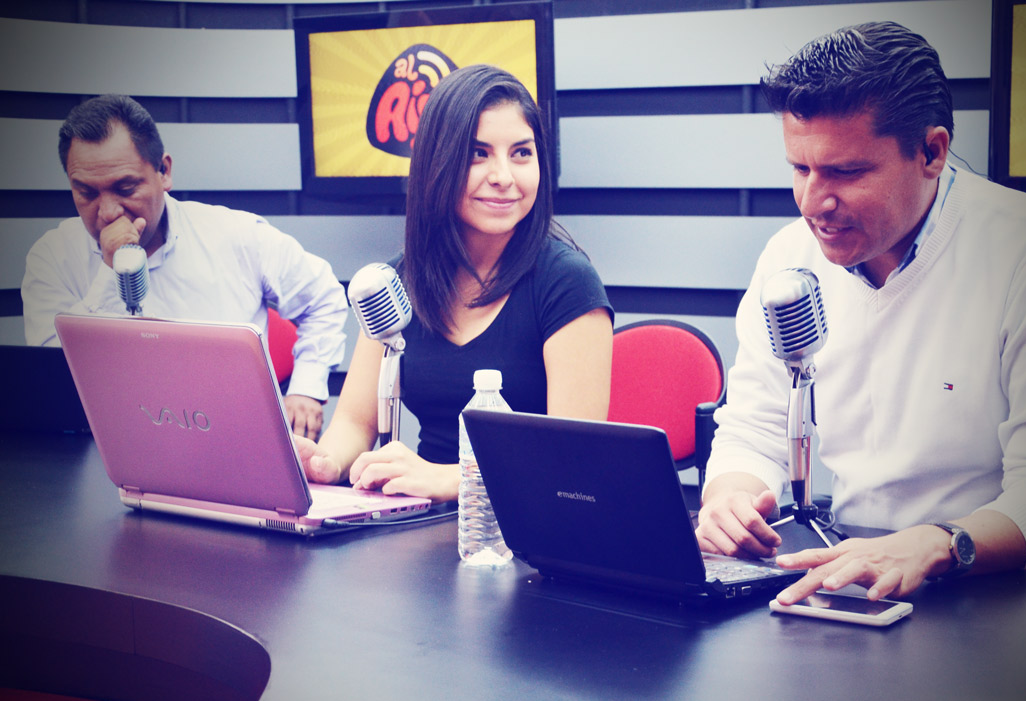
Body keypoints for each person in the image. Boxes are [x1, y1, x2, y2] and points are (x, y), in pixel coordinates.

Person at [695, 22, 1026, 604]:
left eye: (846, 172)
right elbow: (755, 428)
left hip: (1007, 591)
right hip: (852, 574)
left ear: (932, 152)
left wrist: (940, 543)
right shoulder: (788, 255)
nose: (812, 203)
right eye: (800, 169)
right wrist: (730, 498)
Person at [297, 65, 613, 503]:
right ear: (437, 163)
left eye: (521, 153)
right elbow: (353, 421)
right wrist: (324, 463)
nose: (503, 176)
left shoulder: (568, 283)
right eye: (478, 154)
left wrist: (451, 481)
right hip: (421, 520)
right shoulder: (398, 281)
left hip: (524, 527)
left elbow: (573, 462)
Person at [21, 94, 348, 439]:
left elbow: (323, 297)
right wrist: (111, 271)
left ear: (164, 171)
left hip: (232, 439)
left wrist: (307, 387)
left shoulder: (237, 236)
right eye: (86, 193)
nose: (108, 212)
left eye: (126, 188)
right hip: (107, 446)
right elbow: (55, 382)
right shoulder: (52, 257)